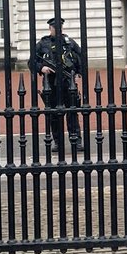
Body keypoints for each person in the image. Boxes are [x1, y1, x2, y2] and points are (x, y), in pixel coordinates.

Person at [28, 16, 83, 153]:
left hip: (68, 82)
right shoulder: (42, 44)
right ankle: (58, 142)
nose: (57, 30)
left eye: (60, 27)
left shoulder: (69, 42)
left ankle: (76, 141)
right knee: (54, 114)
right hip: (50, 84)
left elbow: (81, 57)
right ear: (50, 28)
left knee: (72, 112)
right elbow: (31, 62)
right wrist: (42, 68)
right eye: (54, 28)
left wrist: (78, 73)